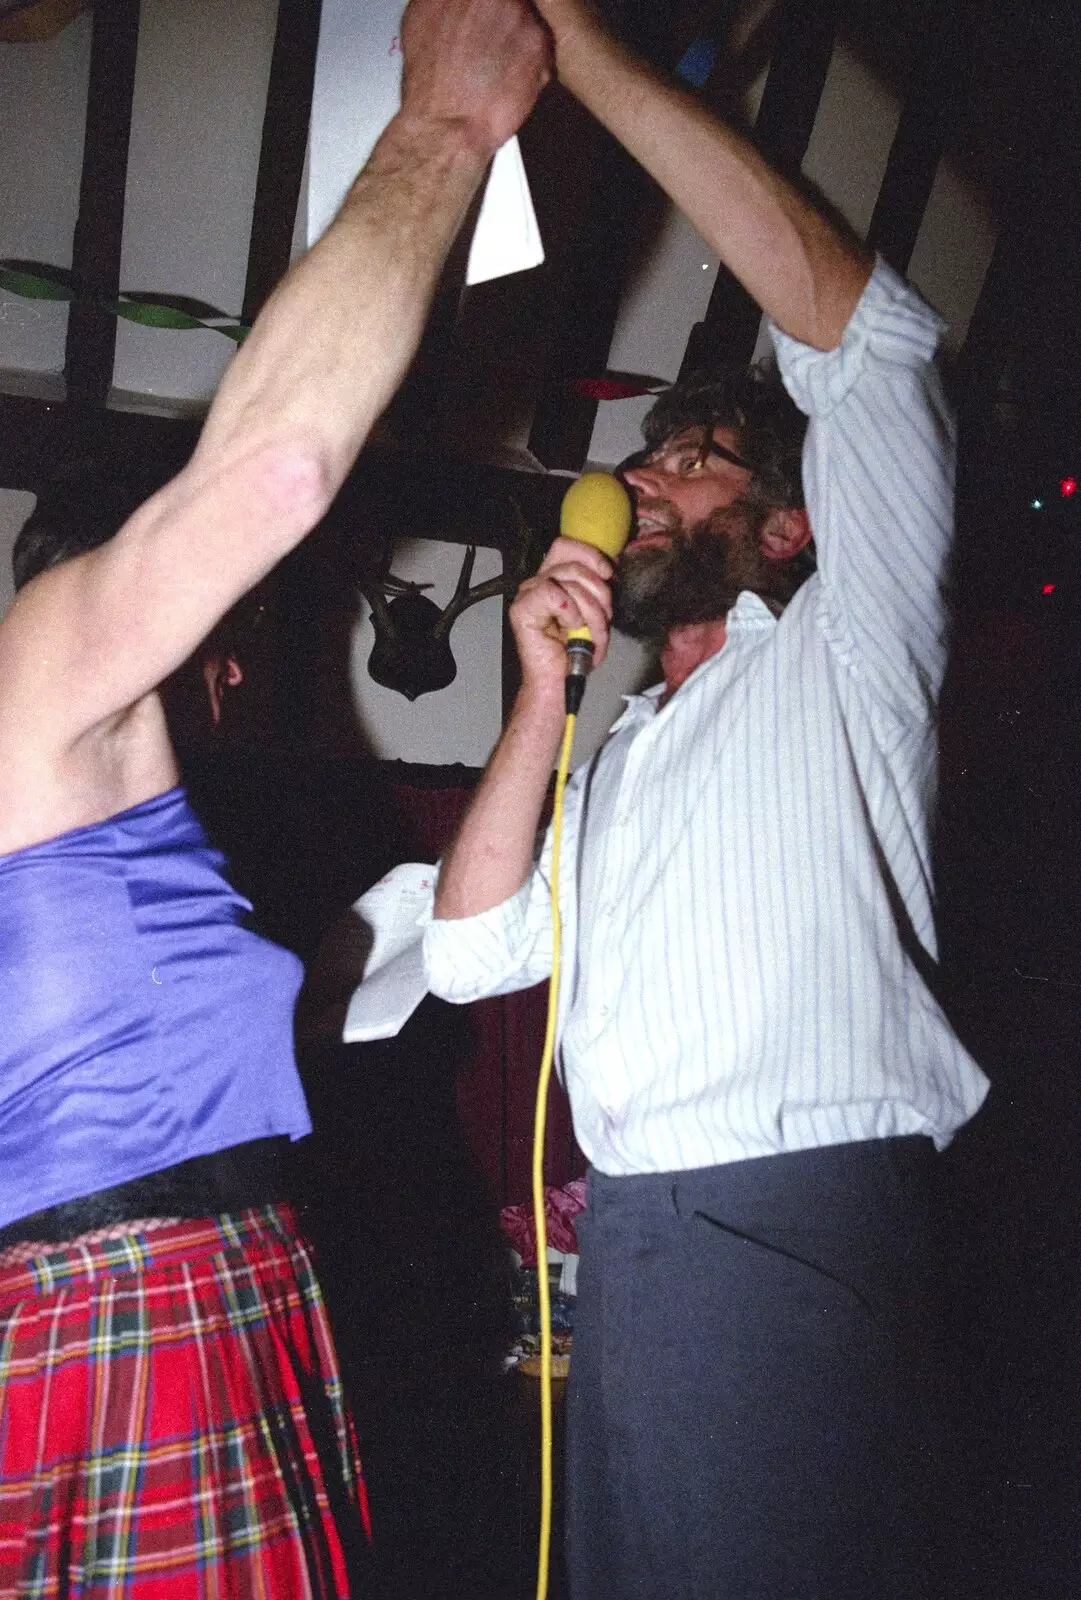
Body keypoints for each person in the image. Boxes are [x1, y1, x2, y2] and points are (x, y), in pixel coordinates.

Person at [424, 4, 990, 1596]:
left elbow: (869, 341)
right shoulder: (622, 758)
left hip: (781, 1223)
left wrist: (572, 48)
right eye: (648, 454)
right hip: (640, 1246)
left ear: (788, 531)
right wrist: (542, 689)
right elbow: (471, 957)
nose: (644, 476)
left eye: (694, 461)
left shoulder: (846, 656)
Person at [0, 2, 550, 1594]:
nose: (236, 670)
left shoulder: (81, 802)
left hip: (178, 1298)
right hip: (127, 1314)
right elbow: (274, 476)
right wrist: (445, 128)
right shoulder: (44, 662)